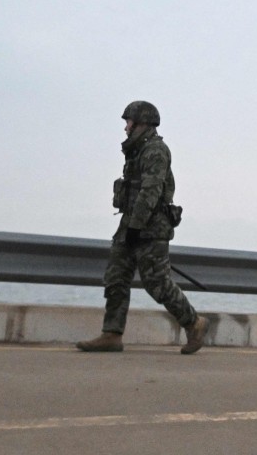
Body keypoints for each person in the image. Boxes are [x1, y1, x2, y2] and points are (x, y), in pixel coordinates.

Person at [77, 100, 210, 355]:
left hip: (151, 227)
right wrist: (129, 226)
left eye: (128, 122)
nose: (125, 128)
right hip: (130, 223)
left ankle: (194, 323)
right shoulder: (136, 152)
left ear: (141, 124)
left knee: (156, 283)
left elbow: (152, 189)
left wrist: (136, 226)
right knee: (116, 278)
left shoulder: (156, 150)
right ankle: (112, 334)